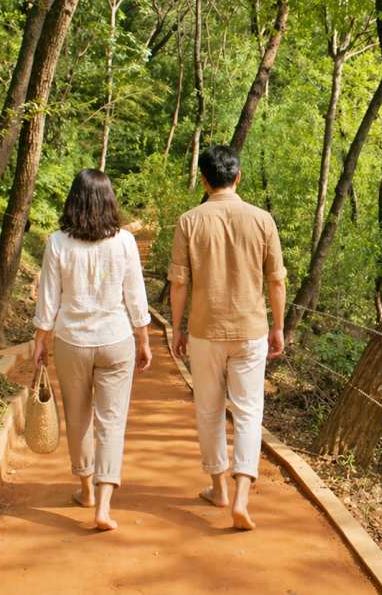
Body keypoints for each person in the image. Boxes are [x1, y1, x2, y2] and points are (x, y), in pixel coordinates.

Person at [168, 146, 287, 531]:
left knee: (209, 410)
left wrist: (176, 326)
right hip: (251, 330)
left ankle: (218, 487)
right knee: (249, 412)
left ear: (204, 179)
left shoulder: (189, 221)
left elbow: (179, 282)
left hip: (205, 331)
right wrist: (279, 326)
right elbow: (276, 280)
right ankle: (240, 498)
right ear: (238, 177)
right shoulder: (262, 220)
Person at [32, 169, 152, 532]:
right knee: (111, 422)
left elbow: (48, 298)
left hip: (72, 341)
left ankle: (85, 488)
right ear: (109, 201)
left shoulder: (57, 242)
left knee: (79, 417)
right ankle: (103, 505)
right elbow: (135, 296)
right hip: (117, 340)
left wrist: (41, 340)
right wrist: (144, 339)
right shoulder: (124, 242)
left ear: (74, 201)